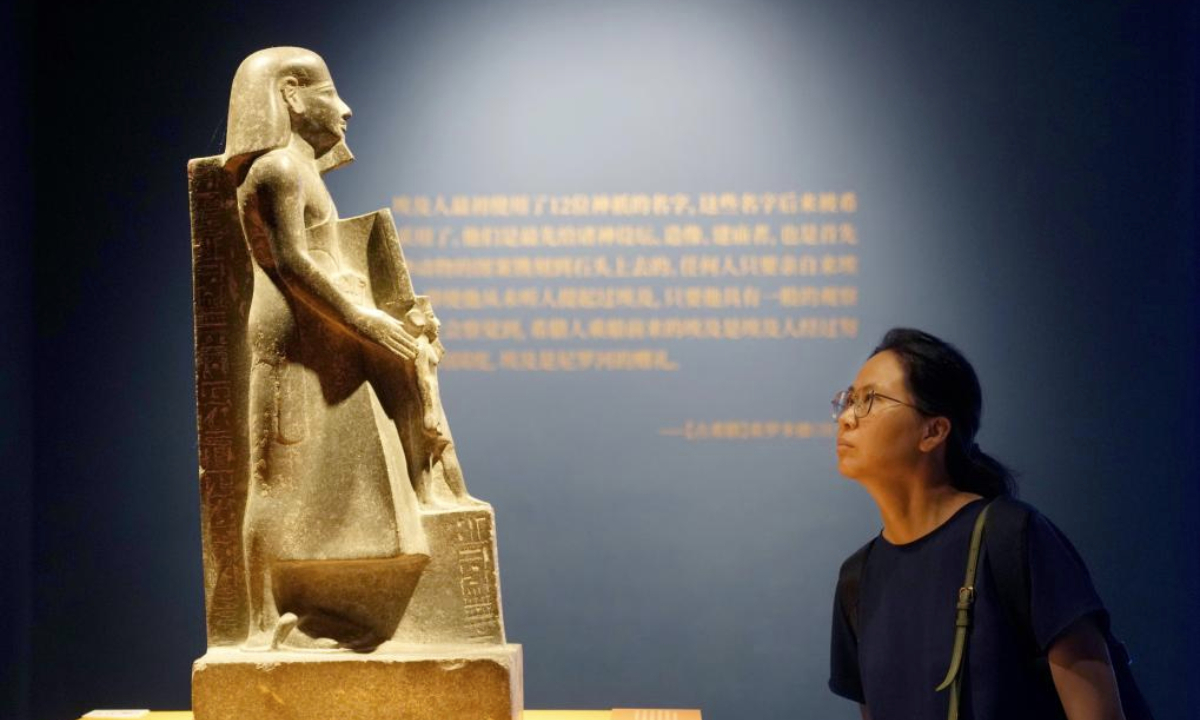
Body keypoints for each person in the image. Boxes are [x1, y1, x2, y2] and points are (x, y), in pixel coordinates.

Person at [222, 47, 430, 651]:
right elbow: (291, 261)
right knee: (275, 475)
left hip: (323, 331)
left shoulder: (301, 169)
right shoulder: (278, 170)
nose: (345, 108)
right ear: (290, 95)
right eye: (329, 92)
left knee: (312, 475)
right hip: (292, 337)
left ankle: (310, 608)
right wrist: (361, 317)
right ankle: (262, 624)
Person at [829, 328, 1128, 720]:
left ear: (933, 431)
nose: (847, 418)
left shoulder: (1011, 537)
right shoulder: (857, 579)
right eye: (849, 400)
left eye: (869, 399)